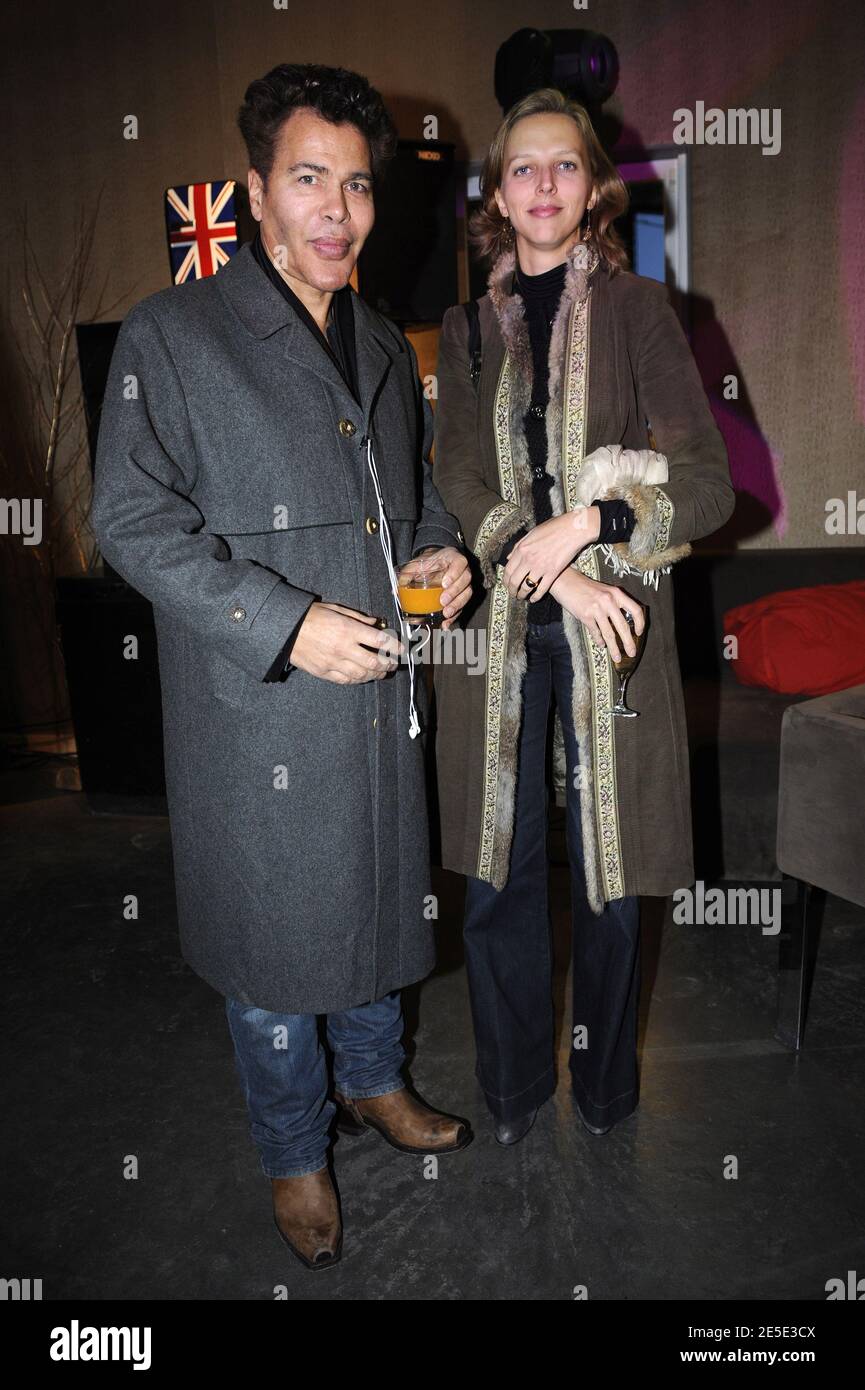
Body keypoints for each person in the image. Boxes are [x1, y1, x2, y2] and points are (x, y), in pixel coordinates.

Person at [91, 62, 474, 1272]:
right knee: (270, 960)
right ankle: (291, 1150)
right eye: (308, 178)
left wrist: (441, 554)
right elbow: (132, 523)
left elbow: (405, 502)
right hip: (255, 715)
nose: (336, 209)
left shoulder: (373, 337)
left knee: (368, 911)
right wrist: (282, 621)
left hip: (372, 706)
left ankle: (372, 1083)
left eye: (356, 186)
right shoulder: (174, 330)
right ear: (254, 191)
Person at [432, 88, 735, 1146]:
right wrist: (554, 563)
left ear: (594, 187)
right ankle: (511, 1095)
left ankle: (604, 1093)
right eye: (523, 169)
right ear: (498, 196)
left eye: (564, 167)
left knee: (611, 873)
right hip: (504, 634)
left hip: (621, 635)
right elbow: (459, 480)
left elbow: (708, 487)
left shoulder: (646, 313)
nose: (544, 186)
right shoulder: (466, 330)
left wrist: (596, 519)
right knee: (495, 873)